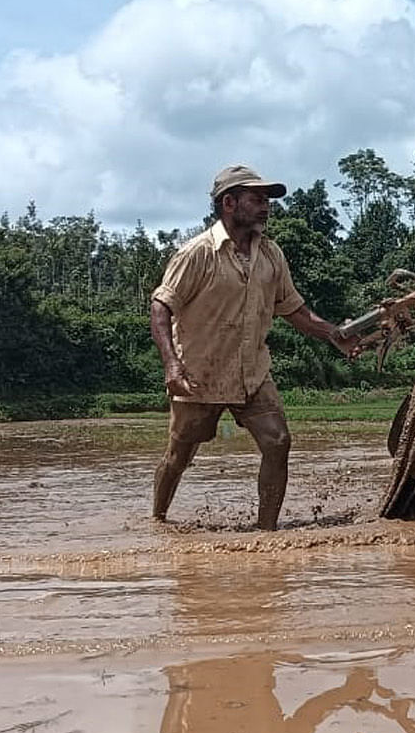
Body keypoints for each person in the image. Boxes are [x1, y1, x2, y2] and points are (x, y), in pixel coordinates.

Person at [149, 164, 355, 530]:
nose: (266, 207)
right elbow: (161, 306)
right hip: (200, 374)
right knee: (179, 455)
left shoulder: (271, 255)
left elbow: (295, 310)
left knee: (278, 442)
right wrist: (172, 365)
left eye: (267, 200)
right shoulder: (197, 253)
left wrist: (334, 335)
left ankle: (267, 533)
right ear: (229, 203)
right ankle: (158, 520)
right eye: (256, 199)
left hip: (252, 372)